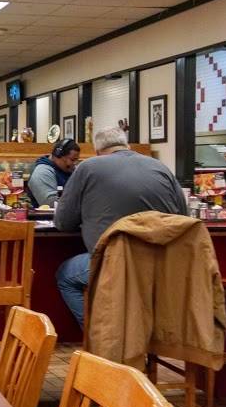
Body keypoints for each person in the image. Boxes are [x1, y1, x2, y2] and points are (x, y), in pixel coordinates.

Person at [53, 127, 187, 327]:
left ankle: (99, 335)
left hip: (115, 263)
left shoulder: (88, 167)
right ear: (127, 145)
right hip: (162, 265)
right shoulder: (161, 167)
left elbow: (63, 222)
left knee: (65, 275)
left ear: (98, 151)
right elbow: (184, 218)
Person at [28, 138, 79, 208]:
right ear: (58, 155)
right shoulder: (42, 172)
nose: (75, 163)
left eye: (76, 160)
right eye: (72, 160)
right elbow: (50, 203)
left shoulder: (66, 170)